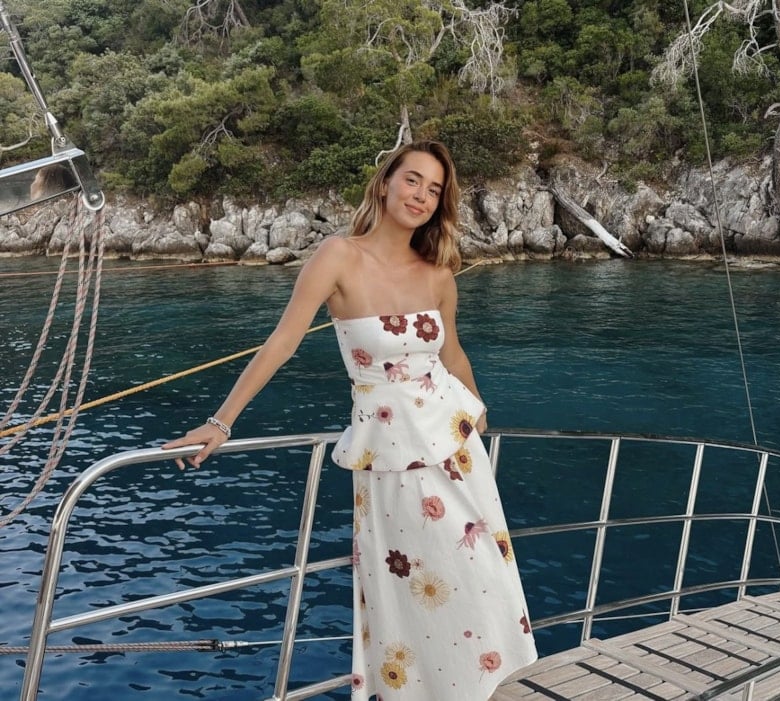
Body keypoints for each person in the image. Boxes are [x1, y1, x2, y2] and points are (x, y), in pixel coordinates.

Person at [163, 140, 538, 699]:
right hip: (388, 454)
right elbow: (282, 343)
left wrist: (478, 412)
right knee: (413, 585)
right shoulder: (338, 256)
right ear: (384, 183)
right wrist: (221, 422)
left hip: (458, 449)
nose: (421, 195)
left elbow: (452, 354)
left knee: (483, 578)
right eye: (412, 180)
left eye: (434, 189)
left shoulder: (438, 273)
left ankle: (494, 689)